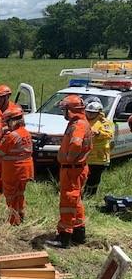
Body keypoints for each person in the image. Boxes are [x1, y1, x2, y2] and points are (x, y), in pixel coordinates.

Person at [45, 95, 93, 248]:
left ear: (71, 110)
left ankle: (64, 237)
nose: (63, 113)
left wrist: (68, 158)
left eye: (64, 110)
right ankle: (79, 233)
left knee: (68, 201)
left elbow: (76, 144)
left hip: (72, 170)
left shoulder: (78, 125)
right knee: (76, 202)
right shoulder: (81, 123)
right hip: (76, 169)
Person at [0, 105, 33, 225]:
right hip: (26, 169)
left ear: (13, 121)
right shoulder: (26, 133)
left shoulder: (12, 136)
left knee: (11, 195)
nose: (7, 125)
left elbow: (0, 151)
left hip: (13, 170)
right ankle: (21, 216)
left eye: (7, 122)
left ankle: (13, 221)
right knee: (20, 194)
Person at [84, 100, 114, 197]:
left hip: (99, 156)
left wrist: (98, 133)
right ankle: (85, 193)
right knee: (85, 175)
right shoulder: (85, 121)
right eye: (88, 112)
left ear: (98, 113)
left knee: (94, 176)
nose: (89, 114)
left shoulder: (104, 122)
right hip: (86, 155)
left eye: (92, 113)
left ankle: (91, 194)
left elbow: (109, 134)